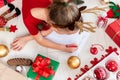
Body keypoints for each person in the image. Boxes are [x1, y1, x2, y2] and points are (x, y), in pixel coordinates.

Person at [11, 0, 89, 53]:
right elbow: (40, 40)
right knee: (45, 32)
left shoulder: (65, 5)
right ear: (53, 26)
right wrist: (63, 48)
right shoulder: (29, 19)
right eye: (67, 34)